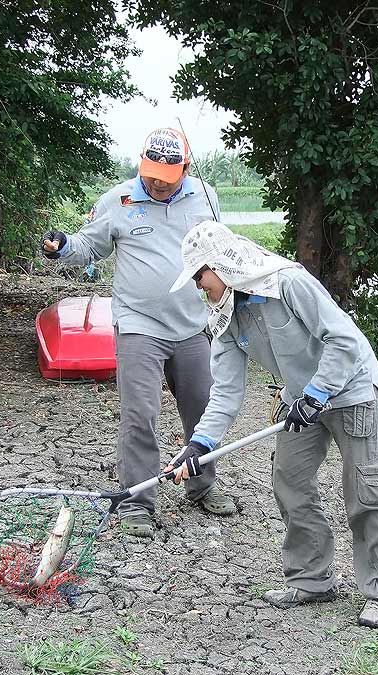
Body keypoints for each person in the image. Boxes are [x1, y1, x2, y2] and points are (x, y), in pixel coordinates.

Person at [163, 220, 378, 628]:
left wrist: (318, 393)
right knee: (289, 482)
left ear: (221, 265)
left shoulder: (289, 283)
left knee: (366, 492)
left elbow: (343, 339)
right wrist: (199, 444)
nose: (199, 286)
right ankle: (312, 579)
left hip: (352, 391)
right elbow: (225, 390)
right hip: (300, 401)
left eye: (200, 276)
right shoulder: (225, 317)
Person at [40, 127, 236, 539]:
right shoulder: (119, 199)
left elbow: (221, 249)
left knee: (202, 410)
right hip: (138, 326)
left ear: (184, 168)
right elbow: (88, 247)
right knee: (139, 414)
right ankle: (137, 501)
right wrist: (62, 246)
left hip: (191, 325)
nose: (155, 182)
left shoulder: (206, 196)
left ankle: (201, 486)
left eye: (166, 176)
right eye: (149, 173)